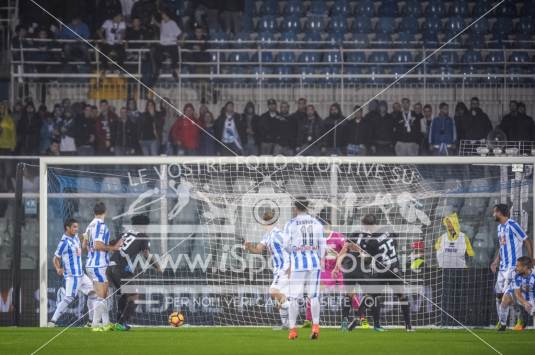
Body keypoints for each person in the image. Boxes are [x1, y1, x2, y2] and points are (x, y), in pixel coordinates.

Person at [348, 214, 413, 332]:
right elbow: (395, 244)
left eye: (365, 226)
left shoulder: (371, 241)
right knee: (402, 296)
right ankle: (408, 326)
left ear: (368, 226)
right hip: (394, 268)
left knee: (370, 295)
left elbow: (368, 260)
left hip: (381, 271)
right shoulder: (388, 229)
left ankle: (358, 317)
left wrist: (362, 254)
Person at [107, 214, 161, 331]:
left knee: (126, 295)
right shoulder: (143, 236)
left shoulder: (124, 234)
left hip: (110, 267)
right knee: (135, 296)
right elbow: (146, 255)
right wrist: (157, 266)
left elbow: (111, 245)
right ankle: (121, 323)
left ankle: (118, 322)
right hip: (121, 269)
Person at [283, 197, 326, 340]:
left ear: (295, 208)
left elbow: (286, 245)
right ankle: (315, 327)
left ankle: (293, 330)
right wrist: (320, 258)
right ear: (307, 207)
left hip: (298, 264)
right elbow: (322, 244)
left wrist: (295, 252)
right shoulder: (317, 223)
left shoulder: (290, 224)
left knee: (294, 298)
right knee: (313, 296)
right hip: (314, 263)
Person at [244, 210, 290, 329]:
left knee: (273, 291)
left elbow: (292, 250)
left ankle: (292, 309)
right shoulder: (267, 236)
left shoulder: (279, 234)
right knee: (281, 299)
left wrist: (291, 267)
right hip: (278, 269)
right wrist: (249, 247)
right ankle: (286, 324)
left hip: (285, 268)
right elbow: (258, 250)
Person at [490, 204, 533, 331]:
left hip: (513, 267)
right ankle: (506, 320)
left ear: (500, 213)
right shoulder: (499, 228)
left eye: (495, 212)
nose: (493, 215)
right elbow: (502, 247)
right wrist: (496, 261)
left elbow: (527, 240)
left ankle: (505, 323)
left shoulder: (513, 225)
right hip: (502, 268)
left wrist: (530, 260)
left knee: (508, 295)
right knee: (499, 294)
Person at [48, 218, 96, 327]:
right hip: (72, 276)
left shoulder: (75, 238)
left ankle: (90, 322)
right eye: (74, 227)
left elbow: (80, 242)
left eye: (77, 227)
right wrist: (58, 268)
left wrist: (86, 235)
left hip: (81, 275)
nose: (76, 229)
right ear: (67, 228)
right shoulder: (64, 242)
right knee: (69, 298)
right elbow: (55, 258)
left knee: (93, 293)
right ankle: (52, 321)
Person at [83, 202, 122, 331]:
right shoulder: (101, 225)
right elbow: (98, 245)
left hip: (91, 264)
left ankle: (106, 323)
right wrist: (113, 248)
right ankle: (95, 325)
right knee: (102, 296)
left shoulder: (90, 225)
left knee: (104, 295)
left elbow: (84, 246)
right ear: (105, 211)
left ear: (94, 212)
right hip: (98, 265)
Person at [303, 215, 345, 329]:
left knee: (349, 293)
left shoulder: (337, 236)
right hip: (322, 271)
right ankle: (308, 319)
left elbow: (346, 249)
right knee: (313, 294)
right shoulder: (315, 238)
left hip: (336, 271)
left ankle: (361, 318)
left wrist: (338, 256)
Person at [496, 256, 534, 332]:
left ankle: (523, 319)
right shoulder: (516, 274)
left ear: (525, 267)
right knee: (505, 300)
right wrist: (525, 303)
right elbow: (517, 293)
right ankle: (503, 324)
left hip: (531, 296)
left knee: (532, 311)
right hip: (518, 294)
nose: (516, 268)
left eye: (518, 266)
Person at [152, 10, 182, 81]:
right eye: (162, 15)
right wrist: (154, 21)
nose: (162, 16)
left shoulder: (173, 23)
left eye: (164, 15)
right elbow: (160, 26)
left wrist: (179, 40)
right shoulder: (162, 22)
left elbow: (179, 33)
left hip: (172, 43)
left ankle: (174, 71)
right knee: (155, 53)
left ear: (167, 15)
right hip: (163, 44)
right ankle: (158, 70)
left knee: (174, 54)